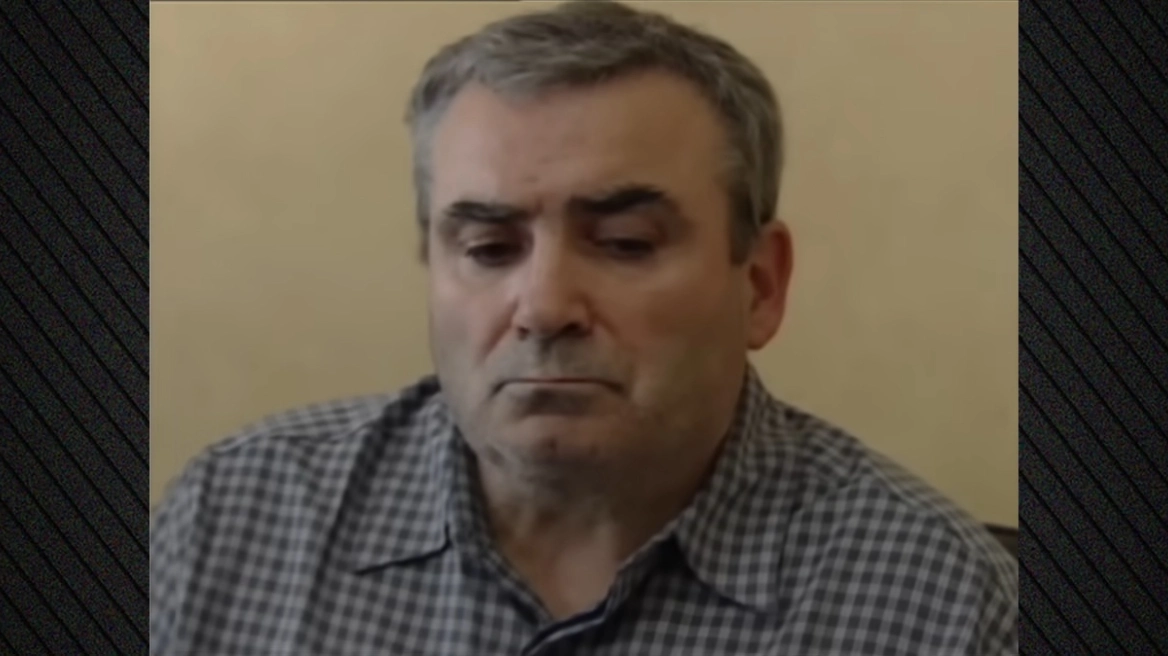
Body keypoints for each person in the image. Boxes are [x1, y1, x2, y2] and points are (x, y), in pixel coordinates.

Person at [149, 1, 1018, 654]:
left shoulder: (943, 603)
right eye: (489, 248)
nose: (543, 308)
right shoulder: (232, 520)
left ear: (759, 285)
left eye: (626, 243)